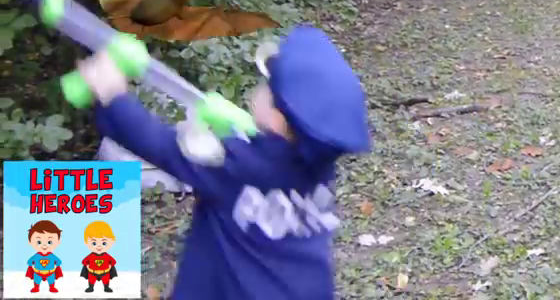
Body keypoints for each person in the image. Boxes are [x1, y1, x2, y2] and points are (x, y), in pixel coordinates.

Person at [76, 26, 372, 299]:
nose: (259, 87)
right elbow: (273, 162)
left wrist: (112, 95)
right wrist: (232, 131)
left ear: (279, 118)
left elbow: (160, 145)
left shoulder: (236, 165)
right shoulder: (319, 167)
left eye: (267, 84)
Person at [26, 220, 64, 292]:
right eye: (39, 242)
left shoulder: (52, 256)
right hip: (38, 272)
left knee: (51, 280)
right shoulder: (36, 256)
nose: (44, 245)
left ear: (58, 242)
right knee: (37, 280)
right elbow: (29, 262)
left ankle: (52, 287)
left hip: (50, 272)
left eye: (49, 242)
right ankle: (36, 287)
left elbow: (59, 262)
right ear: (30, 241)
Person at [80, 220, 119, 292]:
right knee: (91, 280)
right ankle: (91, 287)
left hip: (105, 272)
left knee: (106, 279)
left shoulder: (107, 256)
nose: (99, 246)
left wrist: (110, 266)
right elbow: (84, 262)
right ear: (86, 242)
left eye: (104, 243)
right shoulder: (91, 256)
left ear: (112, 241)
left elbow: (113, 262)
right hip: (92, 272)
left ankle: (106, 287)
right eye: (94, 243)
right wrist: (87, 266)